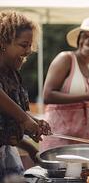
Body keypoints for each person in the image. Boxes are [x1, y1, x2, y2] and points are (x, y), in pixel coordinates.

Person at [39, 17, 89, 151]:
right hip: (59, 133)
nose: (87, 41)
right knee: (59, 170)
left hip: (83, 135)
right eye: (84, 36)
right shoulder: (65, 59)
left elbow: (88, 98)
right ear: (78, 39)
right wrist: (86, 97)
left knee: (82, 171)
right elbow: (47, 95)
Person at [0, 10, 51, 181]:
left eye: (30, 45)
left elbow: (9, 116)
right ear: (3, 43)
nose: (29, 51)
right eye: (23, 45)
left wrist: (33, 124)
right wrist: (24, 119)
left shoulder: (12, 73)